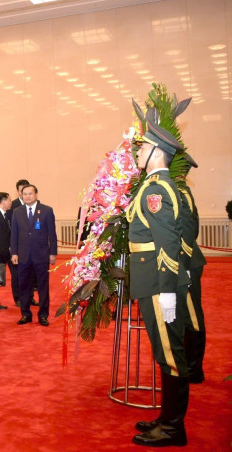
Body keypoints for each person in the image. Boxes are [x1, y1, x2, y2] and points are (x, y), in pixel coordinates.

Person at [128, 122, 192, 447]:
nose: (138, 152)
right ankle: (167, 417)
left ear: (157, 152)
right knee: (165, 350)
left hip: (157, 281)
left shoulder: (156, 190)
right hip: (153, 278)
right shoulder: (157, 185)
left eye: (143, 147)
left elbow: (167, 243)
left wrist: (166, 292)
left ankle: (172, 428)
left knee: (169, 353)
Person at [10, 184, 56, 326]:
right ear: (21, 195)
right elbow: (14, 235)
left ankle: (43, 315)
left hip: (41, 255)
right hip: (23, 256)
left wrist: (53, 253)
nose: (27, 196)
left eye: (30, 193)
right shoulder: (17, 212)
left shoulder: (47, 210)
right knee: (24, 286)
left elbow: (52, 235)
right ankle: (25, 314)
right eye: (25, 194)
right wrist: (14, 253)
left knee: (43, 286)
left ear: (36, 195)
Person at [178, 180, 206, 385]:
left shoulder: (180, 190)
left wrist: (185, 263)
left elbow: (190, 229)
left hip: (185, 261)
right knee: (183, 316)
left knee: (192, 317)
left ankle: (194, 368)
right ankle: (186, 364)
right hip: (178, 262)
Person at [9, 179, 29, 307]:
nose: (25, 193)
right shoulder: (13, 206)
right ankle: (18, 298)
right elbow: (10, 227)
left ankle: (29, 297)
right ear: (18, 191)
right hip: (16, 245)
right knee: (16, 274)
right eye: (22, 191)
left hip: (30, 246)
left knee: (30, 273)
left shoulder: (34, 205)